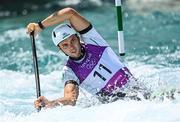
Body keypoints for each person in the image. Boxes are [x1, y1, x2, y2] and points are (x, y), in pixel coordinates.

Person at [27, 7, 134, 109]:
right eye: (65, 45)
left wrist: (40, 26)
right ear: (60, 49)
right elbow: (71, 99)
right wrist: (50, 103)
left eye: (72, 40)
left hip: (137, 92)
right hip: (117, 107)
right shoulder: (70, 71)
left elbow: (69, 12)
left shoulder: (94, 41)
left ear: (78, 38)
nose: (71, 47)